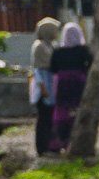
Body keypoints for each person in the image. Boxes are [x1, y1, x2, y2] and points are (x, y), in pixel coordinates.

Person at [47, 23, 92, 153]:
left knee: (62, 109)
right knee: (77, 107)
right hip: (79, 81)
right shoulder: (83, 50)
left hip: (62, 82)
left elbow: (53, 68)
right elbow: (90, 64)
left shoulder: (58, 51)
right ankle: (76, 135)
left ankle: (61, 139)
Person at [30, 17, 60, 156]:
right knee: (43, 119)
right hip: (44, 86)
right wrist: (43, 88)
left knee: (51, 118)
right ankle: (42, 148)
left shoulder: (51, 45)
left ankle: (52, 145)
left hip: (51, 84)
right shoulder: (39, 46)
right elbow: (37, 70)